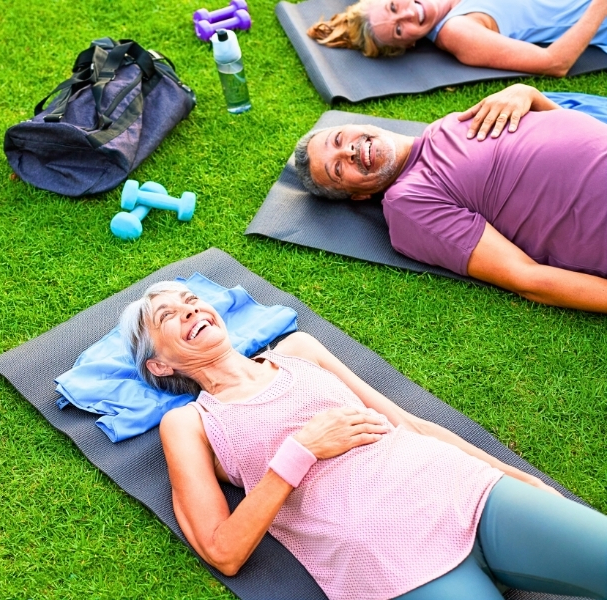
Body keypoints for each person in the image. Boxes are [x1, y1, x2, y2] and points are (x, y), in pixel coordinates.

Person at [121, 282, 607, 599]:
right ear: (160, 365)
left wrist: (521, 478)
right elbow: (222, 550)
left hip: (469, 492)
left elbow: (408, 423)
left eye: (191, 300)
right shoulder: (189, 423)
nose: (190, 310)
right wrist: (302, 449)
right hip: (388, 557)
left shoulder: (298, 350)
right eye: (169, 316)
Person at [294, 83, 607, 313]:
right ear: (359, 195)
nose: (347, 151)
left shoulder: (447, 126)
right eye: (337, 168)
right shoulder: (408, 204)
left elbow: (564, 129)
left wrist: (529, 93)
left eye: (338, 139)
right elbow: (526, 278)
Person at [308, 0, 607, 76]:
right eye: (399, 30)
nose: (408, 15)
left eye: (394, 6)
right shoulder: (457, 31)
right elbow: (555, 62)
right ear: (409, 44)